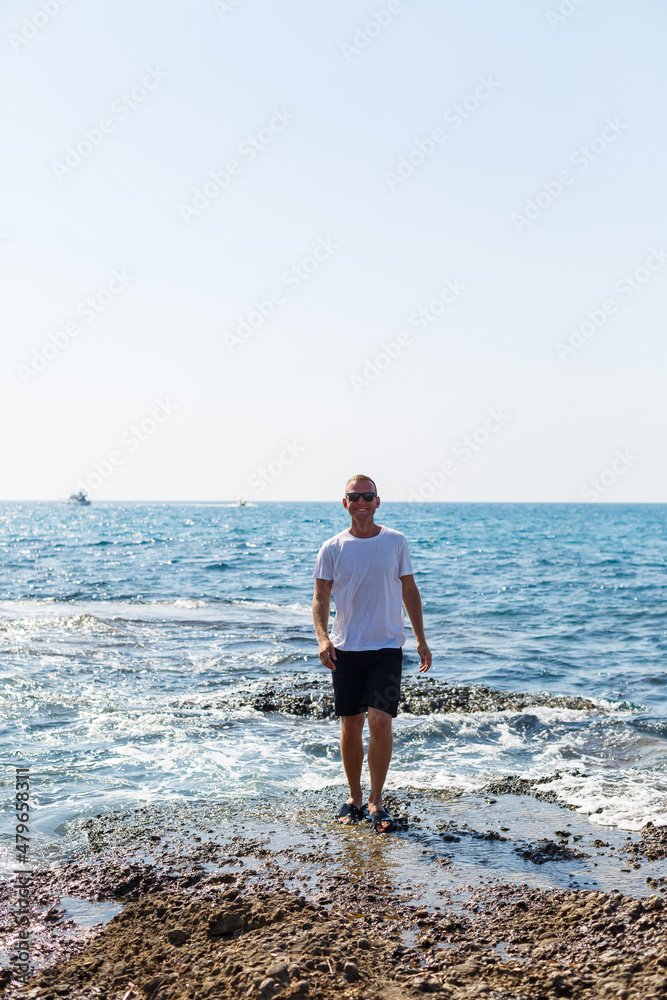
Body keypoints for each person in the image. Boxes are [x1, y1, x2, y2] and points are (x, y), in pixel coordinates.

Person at [312, 474, 432, 833]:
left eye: (368, 495)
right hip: (345, 649)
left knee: (380, 720)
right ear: (345, 502)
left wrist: (421, 639)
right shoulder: (332, 548)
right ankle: (354, 797)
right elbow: (320, 598)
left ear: (377, 502)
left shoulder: (396, 542)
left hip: (386, 647)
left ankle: (377, 800)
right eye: (354, 496)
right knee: (351, 725)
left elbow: (409, 591)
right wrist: (322, 639)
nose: (361, 501)